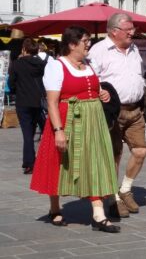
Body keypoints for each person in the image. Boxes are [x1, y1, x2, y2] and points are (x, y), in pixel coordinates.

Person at [30, 26, 120, 233]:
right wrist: (58, 130)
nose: (88, 44)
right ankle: (54, 207)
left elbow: (94, 89)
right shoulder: (56, 66)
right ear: (72, 44)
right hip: (68, 118)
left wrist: (102, 93)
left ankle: (99, 214)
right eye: (85, 41)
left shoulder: (90, 64)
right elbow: (52, 102)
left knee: (94, 162)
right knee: (59, 162)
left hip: (93, 120)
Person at [88, 13, 146, 218]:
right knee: (114, 156)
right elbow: (90, 79)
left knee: (140, 151)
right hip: (112, 111)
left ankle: (125, 189)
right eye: (128, 29)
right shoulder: (99, 50)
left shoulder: (134, 48)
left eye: (133, 28)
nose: (132, 32)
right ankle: (113, 197)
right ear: (114, 31)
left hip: (135, 110)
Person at [9, 38, 46, 174]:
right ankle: (40, 159)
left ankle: (29, 162)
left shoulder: (17, 64)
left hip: (23, 102)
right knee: (41, 130)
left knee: (27, 133)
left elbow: (12, 83)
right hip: (37, 102)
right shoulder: (41, 64)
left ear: (24, 49)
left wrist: (16, 90)